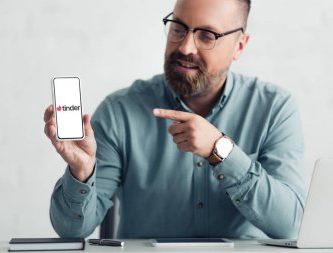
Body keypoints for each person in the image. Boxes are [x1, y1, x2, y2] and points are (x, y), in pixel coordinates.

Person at [44, 0, 306, 239]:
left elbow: (288, 225)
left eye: (207, 36)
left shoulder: (275, 109)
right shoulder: (119, 112)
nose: (185, 47)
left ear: (239, 46)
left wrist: (221, 151)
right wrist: (82, 172)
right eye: (178, 28)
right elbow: (71, 231)